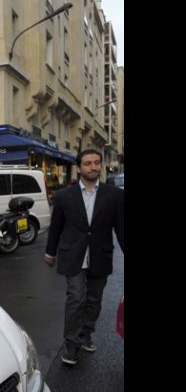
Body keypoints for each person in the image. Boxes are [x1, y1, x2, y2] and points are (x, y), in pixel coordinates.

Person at [44, 149, 124, 366]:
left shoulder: (115, 195)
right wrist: (50, 252)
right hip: (73, 256)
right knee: (76, 298)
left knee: (94, 301)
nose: (93, 167)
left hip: (101, 255)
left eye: (97, 163)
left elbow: (121, 228)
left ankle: (86, 333)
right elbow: (56, 228)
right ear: (79, 168)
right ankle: (71, 344)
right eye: (88, 163)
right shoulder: (63, 196)